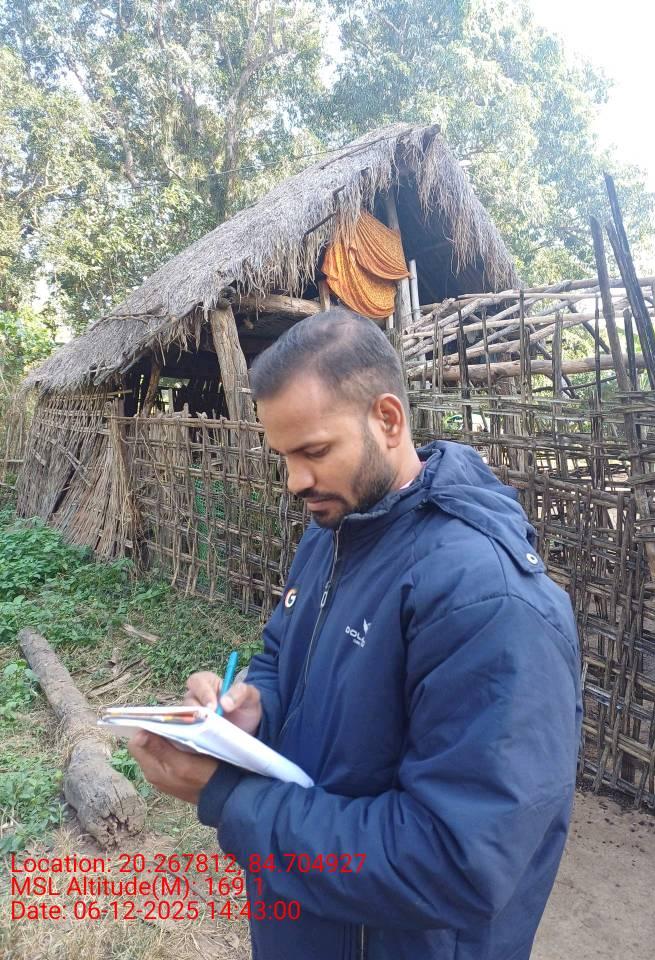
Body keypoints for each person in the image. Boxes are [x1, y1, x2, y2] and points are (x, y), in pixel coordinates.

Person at [130, 307, 582, 960]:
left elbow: (453, 859)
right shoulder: (334, 533)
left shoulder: (485, 599)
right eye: (284, 456)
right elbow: (282, 655)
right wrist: (254, 708)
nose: (295, 482)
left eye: (314, 452)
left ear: (388, 420)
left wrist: (228, 795)